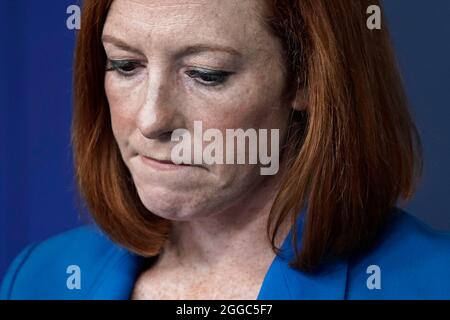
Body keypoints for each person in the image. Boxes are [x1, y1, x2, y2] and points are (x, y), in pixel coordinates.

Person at [1, 0, 450, 300]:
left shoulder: (433, 282)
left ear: (309, 79)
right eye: (125, 65)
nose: (151, 119)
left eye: (205, 74)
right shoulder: (40, 277)